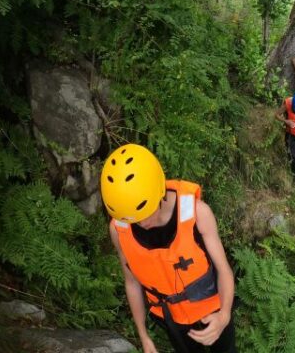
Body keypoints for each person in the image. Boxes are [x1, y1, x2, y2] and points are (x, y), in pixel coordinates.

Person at [101, 144, 236, 353]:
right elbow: (132, 282)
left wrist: (224, 315)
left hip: (212, 310)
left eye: (145, 213)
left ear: (159, 191)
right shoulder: (119, 229)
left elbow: (224, 269)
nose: (141, 223)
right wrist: (144, 336)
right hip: (171, 317)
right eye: (132, 219)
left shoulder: (198, 214)